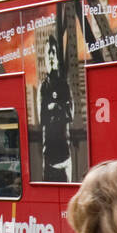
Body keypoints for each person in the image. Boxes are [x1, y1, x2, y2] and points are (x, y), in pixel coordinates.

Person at [40, 36, 73, 181]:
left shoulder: (64, 85)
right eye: (48, 53)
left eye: (54, 52)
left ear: (58, 58)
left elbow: (70, 114)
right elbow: (41, 118)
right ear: (45, 59)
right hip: (48, 160)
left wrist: (55, 106)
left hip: (65, 159)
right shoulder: (42, 87)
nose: (51, 56)